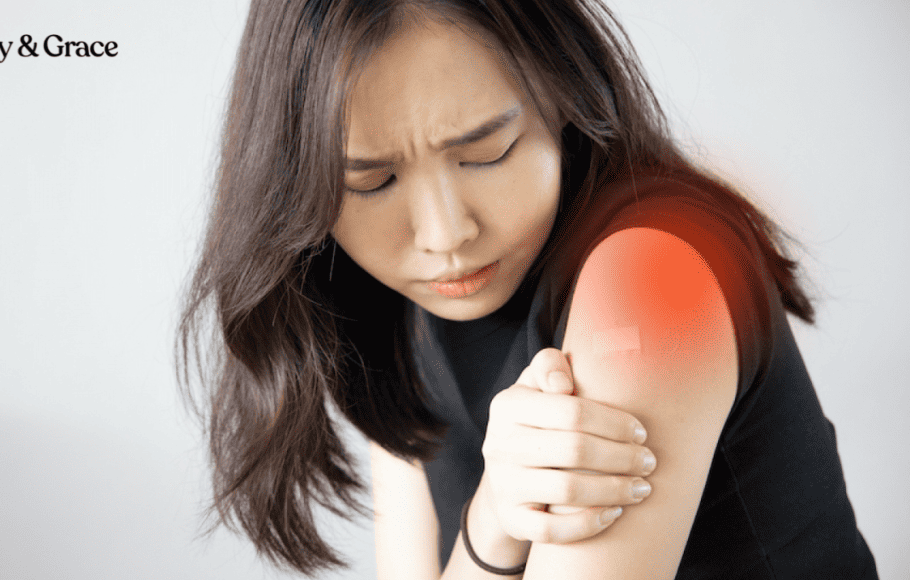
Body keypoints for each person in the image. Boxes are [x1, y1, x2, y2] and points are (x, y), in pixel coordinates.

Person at [177, 0, 878, 578]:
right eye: (372, 182)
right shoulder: (387, 304)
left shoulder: (648, 273)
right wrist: (492, 520)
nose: (446, 233)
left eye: (486, 152)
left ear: (563, 91)